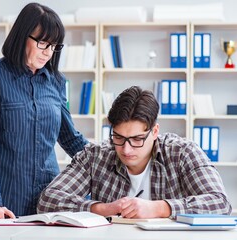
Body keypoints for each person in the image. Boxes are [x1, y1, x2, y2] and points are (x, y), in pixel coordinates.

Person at [37, 86, 232, 219]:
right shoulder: (96, 155)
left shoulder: (182, 153)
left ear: (154, 132)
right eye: (119, 137)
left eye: (138, 139)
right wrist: (102, 208)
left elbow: (220, 204)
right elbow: (48, 200)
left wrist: (159, 208)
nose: (126, 149)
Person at [0, 2, 88, 219]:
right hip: (5, 200)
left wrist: (111, 161)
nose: (48, 53)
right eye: (43, 43)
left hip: (49, 199)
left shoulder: (57, 83)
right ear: (22, 35)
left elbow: (71, 139)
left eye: (54, 46)